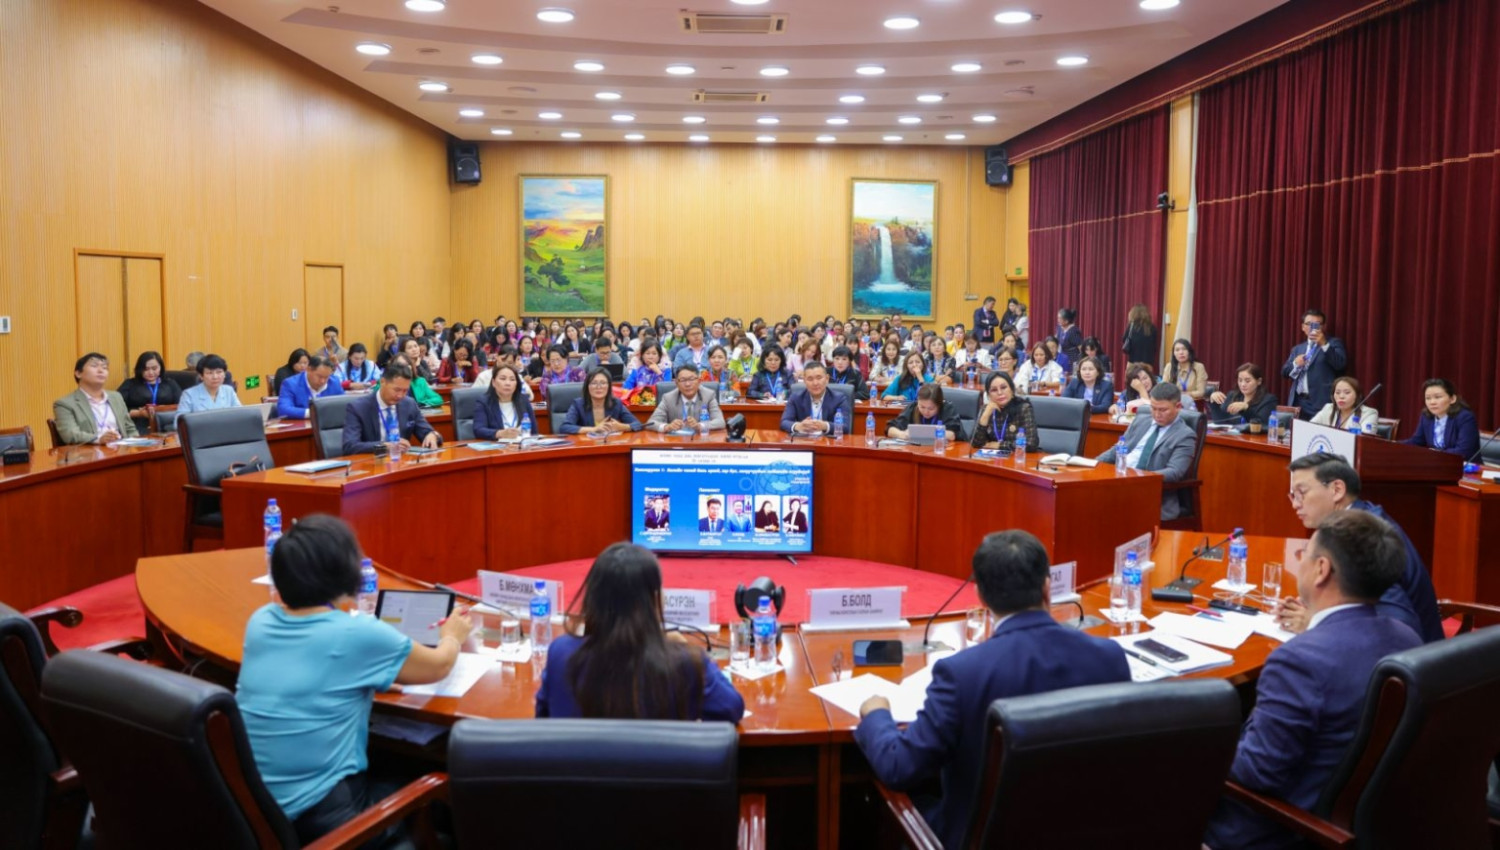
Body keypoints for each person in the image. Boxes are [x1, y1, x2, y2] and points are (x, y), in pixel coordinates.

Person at [856, 530, 1129, 849]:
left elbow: (899, 767)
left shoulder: (961, 674)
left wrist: (876, 715)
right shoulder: (1110, 657)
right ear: (1046, 588)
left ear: (981, 598)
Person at [237, 514, 473, 845]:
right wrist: (453, 635)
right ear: (344, 571)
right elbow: (439, 666)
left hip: (255, 809)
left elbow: (318, 670)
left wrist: (368, 675)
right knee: (455, 789)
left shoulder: (260, 621)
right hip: (328, 820)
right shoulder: (356, 633)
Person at [1203, 510, 1421, 850]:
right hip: (1360, 819)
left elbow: (1256, 772)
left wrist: (1193, 751)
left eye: (1303, 553)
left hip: (1273, 830)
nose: (1299, 562)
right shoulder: (1406, 637)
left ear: (1321, 569)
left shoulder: (1299, 661)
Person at [536, 543, 744, 722]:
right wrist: (687, 651)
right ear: (654, 599)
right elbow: (731, 708)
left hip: (581, 760)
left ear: (592, 598)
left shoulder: (561, 653)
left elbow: (543, 716)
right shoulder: (685, 662)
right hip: (659, 760)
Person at [1274, 453, 1443, 642]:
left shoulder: (1363, 539)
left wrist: (1314, 624)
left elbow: (1396, 627)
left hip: (1413, 655)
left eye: (1301, 493)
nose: (1295, 504)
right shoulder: (1358, 521)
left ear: (1337, 490)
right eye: (1293, 495)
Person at [1094, 383, 1199, 520]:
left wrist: (1139, 477)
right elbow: (1116, 451)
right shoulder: (1141, 421)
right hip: (1120, 484)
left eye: (1163, 410)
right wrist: (1092, 464)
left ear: (1178, 407)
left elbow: (1174, 472)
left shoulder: (1185, 435)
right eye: (1153, 408)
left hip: (1151, 494)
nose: (1157, 414)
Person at [342, 362, 440, 455]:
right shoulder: (358, 408)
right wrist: (384, 446)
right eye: (397, 390)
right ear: (383, 382)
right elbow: (349, 446)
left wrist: (432, 435)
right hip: (372, 463)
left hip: (402, 462)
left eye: (405, 391)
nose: (400, 395)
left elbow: (429, 432)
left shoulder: (409, 404)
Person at [54, 352, 138, 444]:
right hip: (89, 451)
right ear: (78, 373)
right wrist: (98, 439)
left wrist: (138, 444)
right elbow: (70, 434)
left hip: (122, 450)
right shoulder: (65, 404)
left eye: (105, 367)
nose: (101, 370)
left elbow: (129, 428)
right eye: (94, 366)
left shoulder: (116, 397)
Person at [1281, 309, 1348, 420]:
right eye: (1309, 324)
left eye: (1317, 324)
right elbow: (1284, 372)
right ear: (1303, 327)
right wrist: (1295, 364)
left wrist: (1324, 344)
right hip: (1298, 402)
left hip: (1321, 403)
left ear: (1324, 327)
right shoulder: (1298, 348)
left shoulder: (1333, 343)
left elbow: (1340, 365)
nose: (1312, 328)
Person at [1404, 377, 1479, 458]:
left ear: (1452, 399)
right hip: (1436, 461)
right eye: (1428, 398)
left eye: (1437, 397)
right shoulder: (1426, 416)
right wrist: (1394, 444)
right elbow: (1417, 441)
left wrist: (1433, 454)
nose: (1432, 402)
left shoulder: (1465, 417)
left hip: (1463, 464)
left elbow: (1464, 451)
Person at [779, 361, 854, 436]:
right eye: (810, 379)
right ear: (804, 381)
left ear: (827, 379)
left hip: (828, 441)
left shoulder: (839, 399)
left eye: (819, 378)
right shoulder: (796, 398)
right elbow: (784, 422)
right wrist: (799, 426)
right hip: (804, 441)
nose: (815, 383)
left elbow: (845, 426)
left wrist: (824, 426)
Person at [562, 368, 643, 436]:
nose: (598, 387)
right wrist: (594, 429)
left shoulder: (616, 403)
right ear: (587, 386)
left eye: (603, 383)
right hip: (586, 446)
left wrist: (622, 427)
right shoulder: (578, 404)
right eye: (594, 383)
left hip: (609, 445)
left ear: (609, 386)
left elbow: (638, 425)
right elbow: (565, 427)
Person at [117, 350, 182, 434]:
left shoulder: (170, 383)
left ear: (161, 368)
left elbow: (181, 406)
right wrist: (139, 413)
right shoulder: (130, 384)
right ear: (139, 369)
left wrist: (162, 409)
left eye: (154, 368)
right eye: (146, 369)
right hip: (136, 426)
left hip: (166, 426)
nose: (151, 372)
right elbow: (116, 409)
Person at [648, 363, 725, 433]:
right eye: (683, 380)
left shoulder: (708, 395)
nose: (687, 384)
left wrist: (699, 426)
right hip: (676, 441)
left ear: (699, 381)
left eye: (691, 379)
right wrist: (667, 427)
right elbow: (651, 423)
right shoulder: (668, 398)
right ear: (676, 383)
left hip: (701, 440)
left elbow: (720, 422)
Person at [970, 372, 1035, 452]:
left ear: (1011, 389)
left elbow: (1031, 444)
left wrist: (1000, 445)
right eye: (994, 390)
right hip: (992, 457)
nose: (999, 393)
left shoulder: (1024, 408)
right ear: (989, 395)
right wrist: (985, 416)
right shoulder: (986, 409)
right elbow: (975, 443)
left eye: (1003, 387)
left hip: (1018, 457)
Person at [472, 365, 538, 440]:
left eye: (512, 379)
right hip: (497, 446)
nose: (508, 383)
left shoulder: (523, 400)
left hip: (522, 445)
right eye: (503, 379)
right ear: (493, 382)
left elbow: (534, 431)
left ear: (516, 384)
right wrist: (500, 433)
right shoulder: (484, 402)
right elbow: (478, 430)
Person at [1208, 363, 1279, 427]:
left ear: (1259, 381)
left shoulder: (1268, 400)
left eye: (1247, 381)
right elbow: (1220, 421)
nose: (1243, 384)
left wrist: (1246, 409)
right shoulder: (1232, 395)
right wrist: (1214, 402)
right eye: (1240, 380)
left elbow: (1263, 424)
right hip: (1231, 436)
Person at [886, 383, 963, 442]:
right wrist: (901, 434)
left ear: (939, 405)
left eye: (931, 408)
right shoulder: (913, 407)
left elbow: (951, 435)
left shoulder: (947, 409)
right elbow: (889, 429)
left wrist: (919, 433)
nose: (926, 412)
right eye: (922, 407)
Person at [276, 355, 344, 419]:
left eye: (326, 377)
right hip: (301, 426)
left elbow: (344, 406)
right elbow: (283, 409)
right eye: (319, 376)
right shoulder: (291, 384)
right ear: (308, 369)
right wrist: (313, 413)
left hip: (328, 425)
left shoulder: (334, 382)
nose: (322, 381)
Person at [177, 354, 242, 415]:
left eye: (219, 372)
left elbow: (240, 415)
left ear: (224, 374)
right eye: (209, 373)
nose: (215, 377)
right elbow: (180, 421)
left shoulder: (229, 391)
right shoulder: (189, 395)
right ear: (201, 376)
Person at [1121, 304, 1158, 372]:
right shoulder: (1152, 328)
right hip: (1148, 363)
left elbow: (1124, 340)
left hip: (1133, 362)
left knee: (1131, 378)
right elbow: (1155, 346)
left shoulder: (1131, 327)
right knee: (1147, 378)